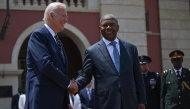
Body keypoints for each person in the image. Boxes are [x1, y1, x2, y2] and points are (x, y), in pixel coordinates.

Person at [74, 14, 146, 109]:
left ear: (118, 27)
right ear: (100, 28)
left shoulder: (130, 48)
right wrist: (74, 86)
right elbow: (85, 76)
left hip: (129, 101)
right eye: (105, 25)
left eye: (112, 24)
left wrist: (141, 101)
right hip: (106, 102)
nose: (109, 27)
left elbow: (138, 76)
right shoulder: (92, 51)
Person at [24, 2, 77, 109]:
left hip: (58, 102)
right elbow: (45, 65)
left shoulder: (57, 41)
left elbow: (61, 72)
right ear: (51, 15)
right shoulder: (39, 35)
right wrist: (68, 83)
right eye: (63, 16)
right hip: (43, 100)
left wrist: (66, 102)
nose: (66, 20)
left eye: (67, 16)